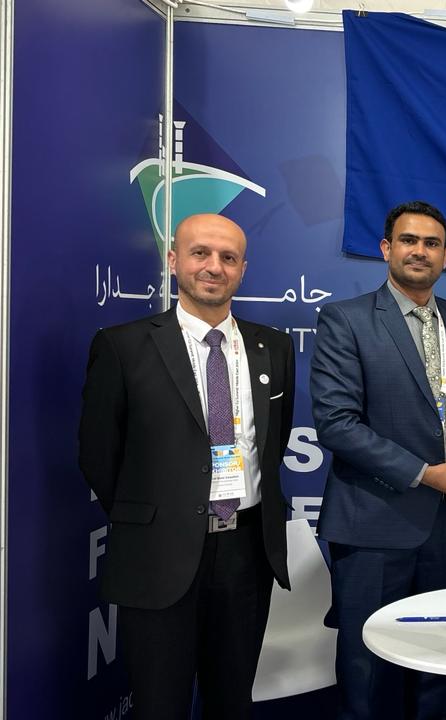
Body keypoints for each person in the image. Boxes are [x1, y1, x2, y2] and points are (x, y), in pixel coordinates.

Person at [78, 213, 294, 719]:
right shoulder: (123, 346)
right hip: (159, 555)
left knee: (232, 703)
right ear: (174, 260)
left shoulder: (274, 346)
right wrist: (157, 518)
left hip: (246, 553)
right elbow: (97, 456)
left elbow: (273, 443)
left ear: (242, 269)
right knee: (161, 706)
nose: (214, 267)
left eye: (228, 257)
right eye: (200, 253)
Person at [311, 200, 446, 720]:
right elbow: (337, 423)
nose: (420, 251)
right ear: (387, 248)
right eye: (409, 240)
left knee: (441, 661)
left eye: (432, 244)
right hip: (373, 524)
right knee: (367, 670)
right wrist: (423, 474)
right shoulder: (345, 319)